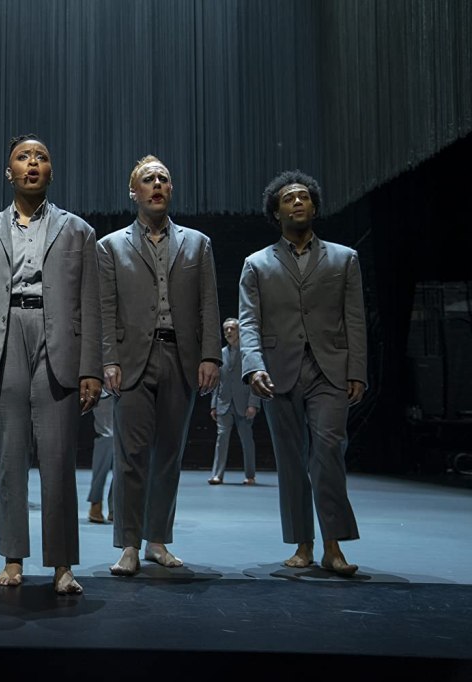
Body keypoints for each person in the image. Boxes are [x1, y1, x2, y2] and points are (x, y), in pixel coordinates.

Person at [0, 134, 102, 594]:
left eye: (41, 157)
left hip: (57, 335)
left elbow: (92, 305)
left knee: (58, 456)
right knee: (9, 455)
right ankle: (13, 558)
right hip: (3, 336)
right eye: (23, 157)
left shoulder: (78, 231)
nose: (32, 163)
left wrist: (92, 368)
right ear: (9, 171)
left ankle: (62, 564)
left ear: (51, 171)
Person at [98, 155, 221, 576]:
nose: (156, 184)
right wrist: (108, 360)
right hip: (132, 360)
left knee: (169, 454)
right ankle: (128, 544)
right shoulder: (111, 246)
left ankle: (157, 540)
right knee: (130, 455)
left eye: (163, 179)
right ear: (134, 192)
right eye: (148, 179)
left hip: (181, 358)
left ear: (171, 190)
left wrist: (210, 355)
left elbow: (208, 304)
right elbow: (106, 308)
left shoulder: (197, 243)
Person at [239, 170, 367, 575]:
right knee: (291, 459)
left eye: (304, 197)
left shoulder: (345, 258)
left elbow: (355, 319)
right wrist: (253, 367)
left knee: (328, 451)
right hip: (279, 372)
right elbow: (248, 322)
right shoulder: (256, 264)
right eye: (289, 199)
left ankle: (334, 546)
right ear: (276, 211)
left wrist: (358, 371)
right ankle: (302, 543)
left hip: (330, 369)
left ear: (314, 207)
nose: (298, 203)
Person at [208, 318, 262, 485]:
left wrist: (253, 404)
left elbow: (254, 378)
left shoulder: (247, 353)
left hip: (243, 403)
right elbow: (218, 381)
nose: (229, 332)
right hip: (224, 403)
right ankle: (217, 474)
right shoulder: (221, 354)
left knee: (247, 440)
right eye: (226, 330)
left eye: (232, 329)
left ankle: (250, 475)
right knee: (221, 439)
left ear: (239, 331)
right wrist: (213, 405)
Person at [87, 390, 115, 523]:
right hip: (105, 388)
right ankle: (96, 501)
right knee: (107, 437)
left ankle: (117, 506)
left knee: (126, 446)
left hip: (130, 385)